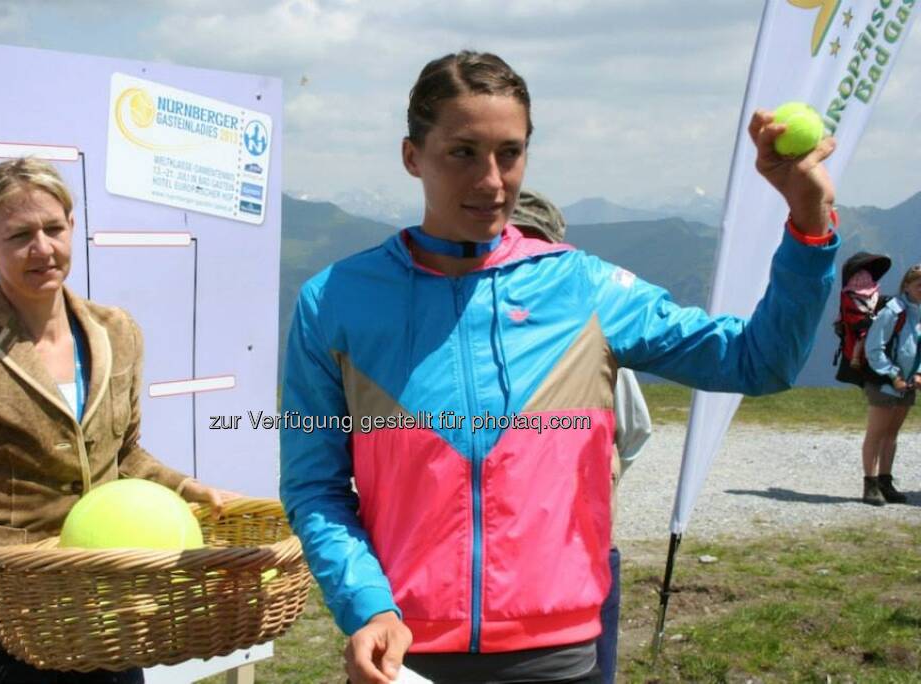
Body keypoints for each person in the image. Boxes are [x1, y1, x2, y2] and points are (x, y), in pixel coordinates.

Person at [280, 50, 839, 684]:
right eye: (463, 152)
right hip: (404, 651)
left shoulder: (583, 288)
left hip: (560, 652)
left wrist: (809, 221)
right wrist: (368, 606)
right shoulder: (334, 301)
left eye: (509, 153)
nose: (492, 180)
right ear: (412, 156)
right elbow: (314, 487)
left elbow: (758, 360)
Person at [0, 158, 233, 684]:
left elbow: (123, 457)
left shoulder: (117, 332)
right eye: (20, 235)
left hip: (104, 613)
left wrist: (188, 488)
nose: (43, 248)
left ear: (73, 227)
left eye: (54, 228)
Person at [511, 189, 652, 683]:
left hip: (577, 557)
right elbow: (635, 433)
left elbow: (630, 433)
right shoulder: (589, 335)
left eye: (532, 248)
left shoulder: (591, 336)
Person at [860, 263, 921, 505]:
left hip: (907, 384)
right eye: (919, 285)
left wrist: (918, 374)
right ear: (906, 285)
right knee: (876, 433)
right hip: (885, 382)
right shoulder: (893, 311)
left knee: (892, 434)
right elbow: (873, 348)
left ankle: (885, 481)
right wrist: (892, 375)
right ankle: (870, 484)